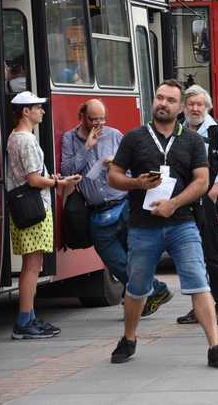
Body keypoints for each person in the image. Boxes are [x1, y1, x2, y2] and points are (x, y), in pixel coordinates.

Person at [107, 79, 218, 367]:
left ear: (179, 108)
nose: (163, 103)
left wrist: (173, 203)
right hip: (142, 226)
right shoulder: (135, 138)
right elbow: (113, 175)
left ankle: (215, 346)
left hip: (182, 224)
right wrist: (134, 182)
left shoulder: (192, 141)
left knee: (199, 281)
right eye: (159, 98)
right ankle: (129, 338)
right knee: (137, 286)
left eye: (170, 100)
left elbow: (202, 181)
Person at [61, 99, 173, 317]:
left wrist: (116, 165)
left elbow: (132, 169)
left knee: (133, 256)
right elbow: (67, 171)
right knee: (115, 261)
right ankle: (156, 289)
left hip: (122, 204)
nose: (98, 124)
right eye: (93, 119)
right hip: (96, 210)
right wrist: (87, 148)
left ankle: (147, 296)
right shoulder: (70, 139)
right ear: (82, 117)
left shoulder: (114, 135)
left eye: (102, 119)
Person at [6, 91, 82, 339]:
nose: (42, 111)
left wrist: (53, 179)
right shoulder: (25, 140)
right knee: (32, 266)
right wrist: (58, 182)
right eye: (37, 107)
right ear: (25, 112)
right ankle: (24, 321)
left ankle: (29, 317)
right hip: (35, 209)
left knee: (33, 264)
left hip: (27, 206)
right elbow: (33, 179)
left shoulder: (15, 137)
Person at [176, 85, 218, 325]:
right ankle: (199, 307)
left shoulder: (217, 129)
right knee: (190, 255)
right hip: (183, 198)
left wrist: (213, 192)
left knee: (212, 253)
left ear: (207, 107)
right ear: (185, 107)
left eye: (200, 104)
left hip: (207, 199)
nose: (195, 108)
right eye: (191, 104)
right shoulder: (178, 128)